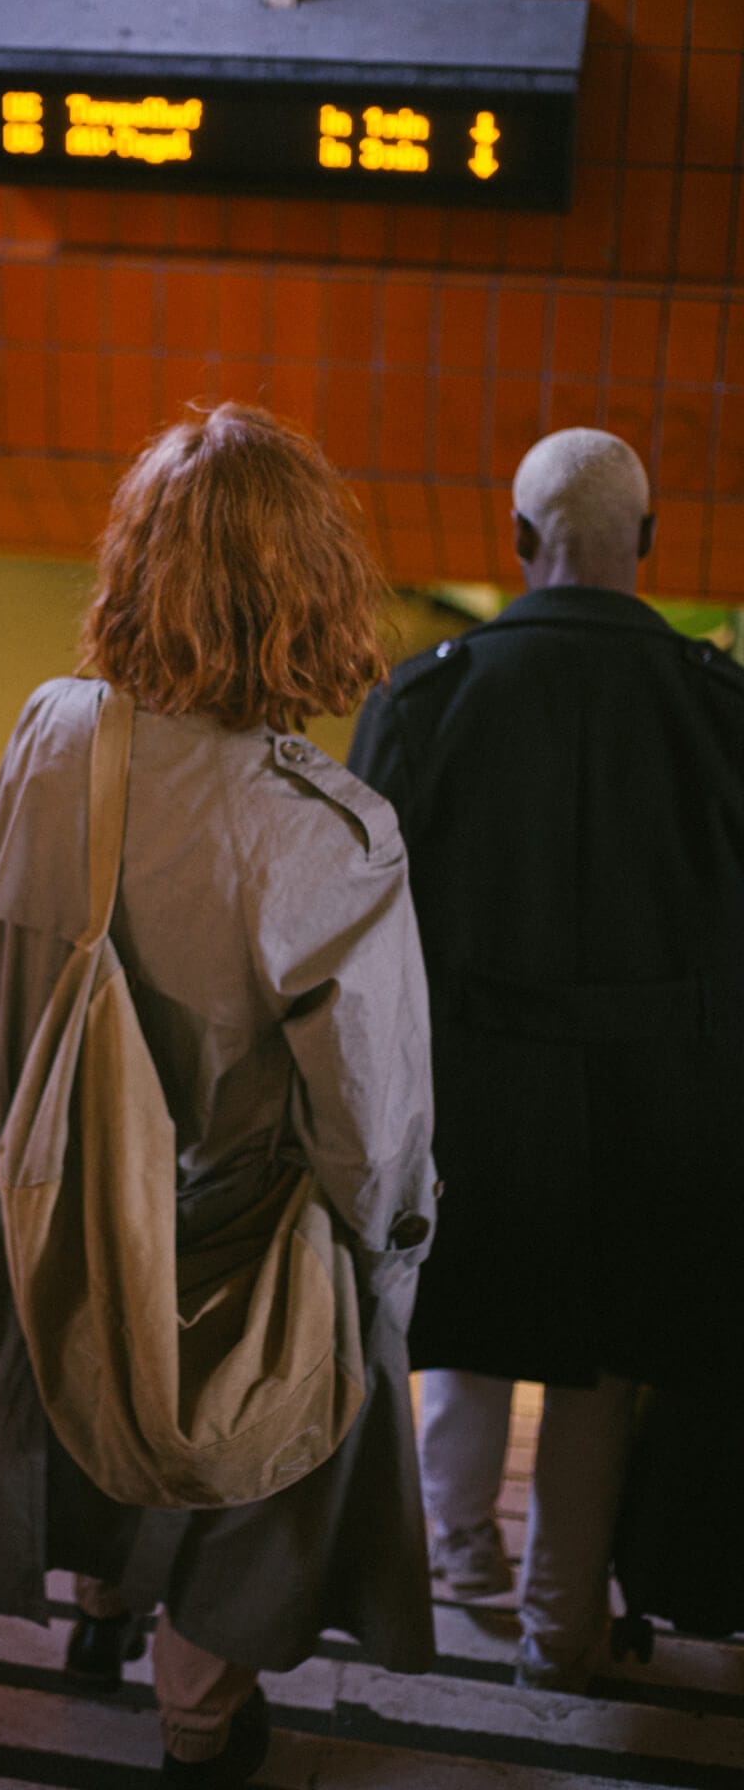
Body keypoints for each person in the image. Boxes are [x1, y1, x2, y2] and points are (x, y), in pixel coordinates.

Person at [0, 402, 438, 1784]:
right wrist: (388, 1252)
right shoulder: (323, 831)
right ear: (315, 588)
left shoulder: (52, 734)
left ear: (134, 567)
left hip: (55, 1182)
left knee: (87, 1380)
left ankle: (100, 1603)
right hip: (236, 1226)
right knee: (265, 1446)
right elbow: (370, 1127)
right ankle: (196, 1713)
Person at [347, 427, 744, 1692]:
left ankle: (455, 1562)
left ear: (516, 539)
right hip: (659, 1102)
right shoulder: (717, 708)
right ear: (649, 539)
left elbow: (362, 932)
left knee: (462, 1319)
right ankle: (558, 1636)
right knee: (603, 1362)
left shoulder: (423, 698)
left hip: (468, 1090)